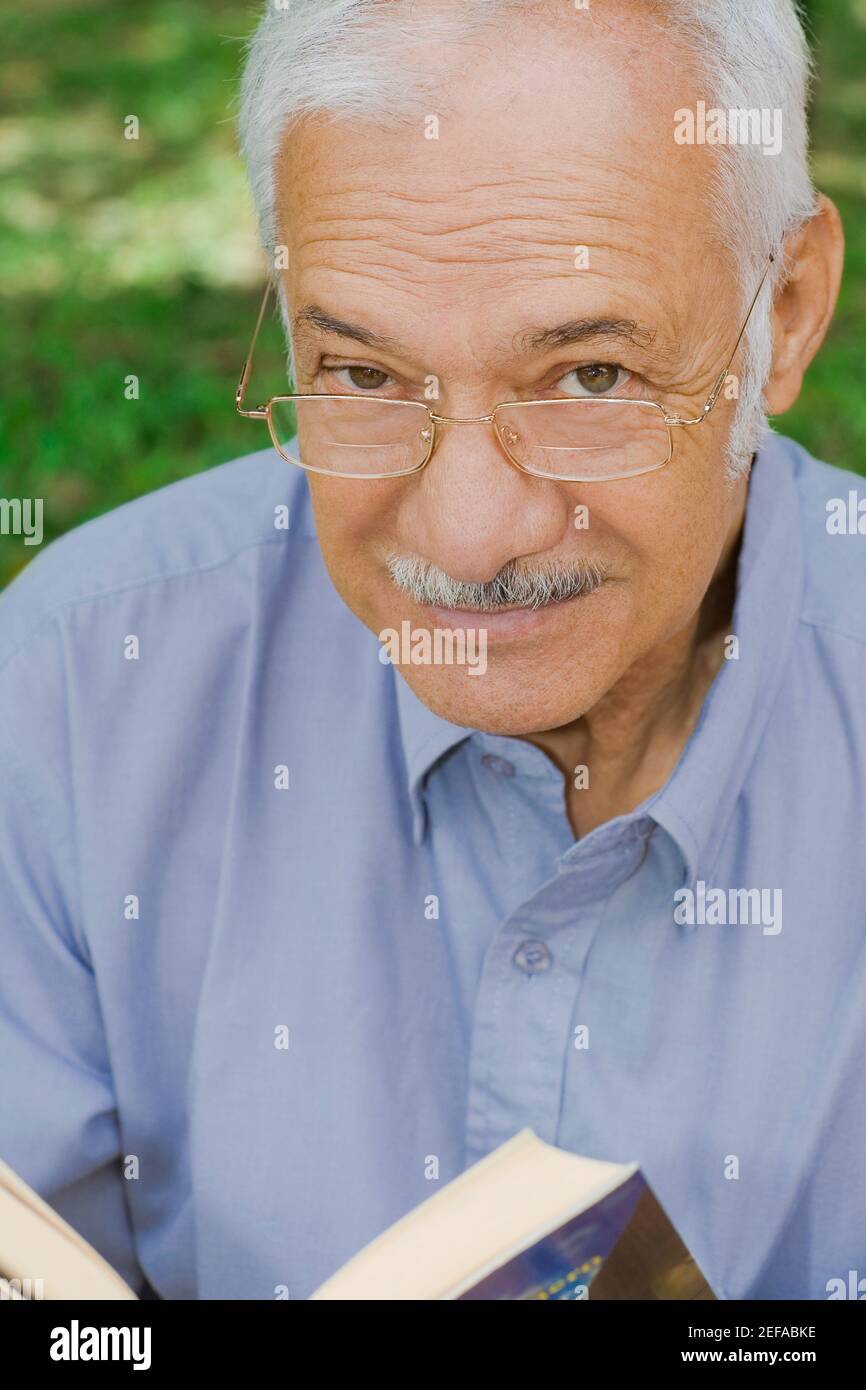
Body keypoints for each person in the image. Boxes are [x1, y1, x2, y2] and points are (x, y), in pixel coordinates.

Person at [0, 0, 861, 1300]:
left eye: (587, 377)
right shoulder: (75, 683)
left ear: (783, 312)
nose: (464, 534)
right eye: (359, 375)